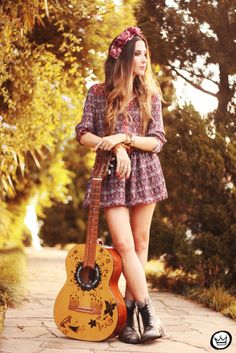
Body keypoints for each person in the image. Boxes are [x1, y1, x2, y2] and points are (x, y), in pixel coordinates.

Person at [75, 26, 168, 344]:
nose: (144, 59)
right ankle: (149, 314)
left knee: (140, 246)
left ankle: (128, 319)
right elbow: (83, 132)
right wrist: (113, 146)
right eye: (138, 53)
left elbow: (157, 141)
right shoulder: (97, 93)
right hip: (110, 174)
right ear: (124, 57)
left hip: (145, 172)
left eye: (146, 54)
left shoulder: (150, 95)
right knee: (124, 246)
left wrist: (125, 138)